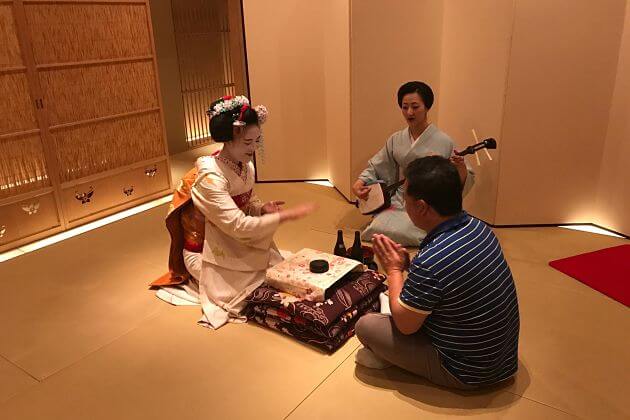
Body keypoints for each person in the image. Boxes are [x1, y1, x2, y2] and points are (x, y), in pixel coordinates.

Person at [355, 156, 519, 390]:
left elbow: (405, 325)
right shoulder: (479, 227)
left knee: (367, 326)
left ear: (421, 207)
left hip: (466, 371)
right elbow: (453, 281)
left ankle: (393, 360)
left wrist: (393, 269)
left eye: (406, 199)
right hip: (502, 361)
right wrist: (409, 266)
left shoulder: (433, 260)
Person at [151, 95, 315, 328]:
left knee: (277, 270)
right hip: (205, 251)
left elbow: (249, 200)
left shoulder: (245, 165)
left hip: (231, 238)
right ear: (229, 139)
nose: (254, 148)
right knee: (250, 288)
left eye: (257, 141)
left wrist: (261, 208)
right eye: (248, 142)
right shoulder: (210, 178)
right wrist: (283, 217)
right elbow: (239, 226)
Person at [353, 81, 475, 246]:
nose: (409, 112)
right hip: (401, 198)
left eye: (415, 107)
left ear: (427, 107)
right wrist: (361, 181)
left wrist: (460, 168)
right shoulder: (396, 139)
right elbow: (378, 165)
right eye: (405, 107)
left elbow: (459, 181)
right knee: (377, 229)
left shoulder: (444, 141)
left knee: (415, 231)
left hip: (429, 204)